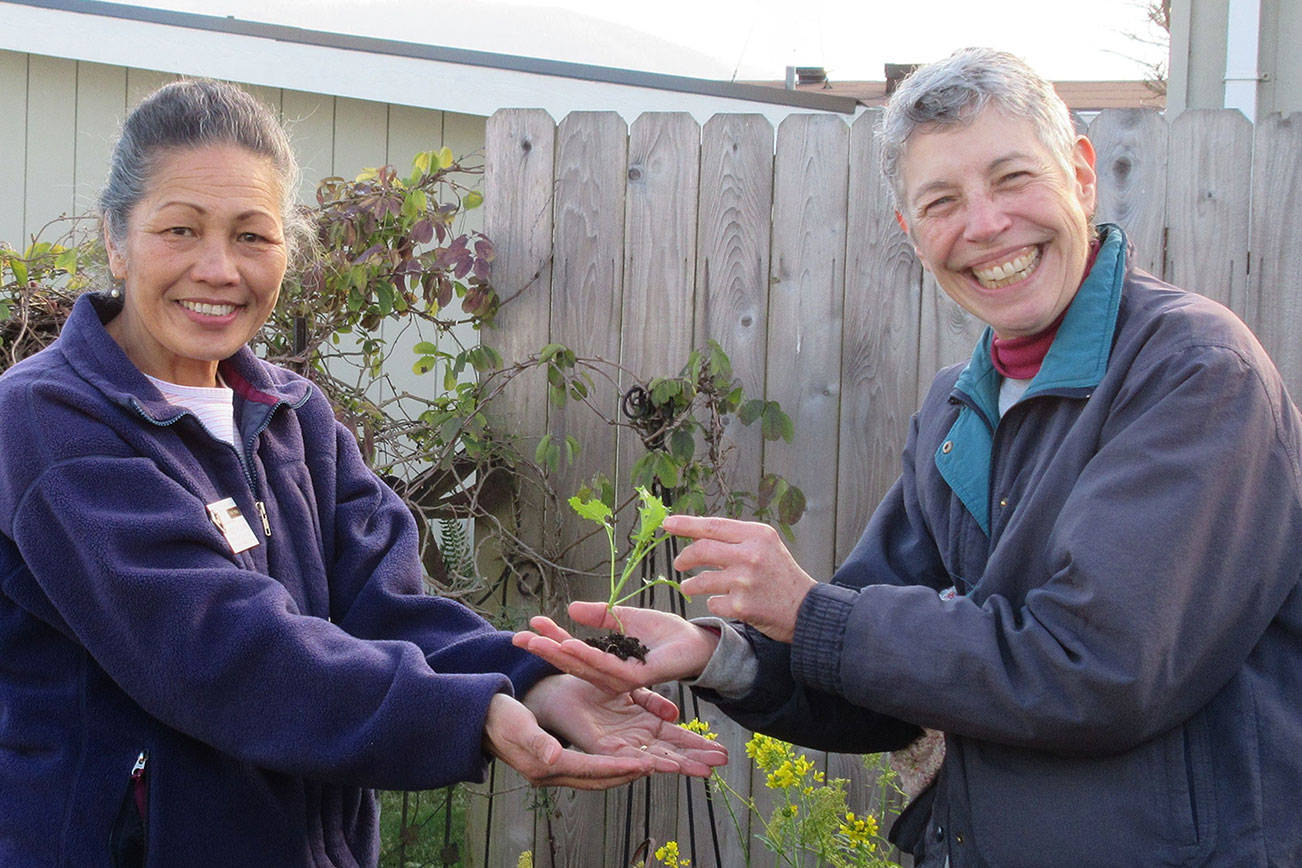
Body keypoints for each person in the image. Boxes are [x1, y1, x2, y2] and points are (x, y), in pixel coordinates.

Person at [516, 47, 1302, 866]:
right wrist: (726, 654)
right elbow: (878, 678)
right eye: (942, 201)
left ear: (1081, 173)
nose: (986, 225)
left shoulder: (1194, 374)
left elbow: (1094, 670)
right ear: (911, 233)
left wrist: (811, 612)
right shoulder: (958, 411)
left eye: (1012, 179)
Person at [0, 79, 725, 866]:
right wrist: (472, 714)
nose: (218, 269)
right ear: (116, 238)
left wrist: (533, 680)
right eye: (180, 229)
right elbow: (219, 650)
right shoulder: (47, 421)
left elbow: (389, 608)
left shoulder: (294, 416)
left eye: (253, 236)